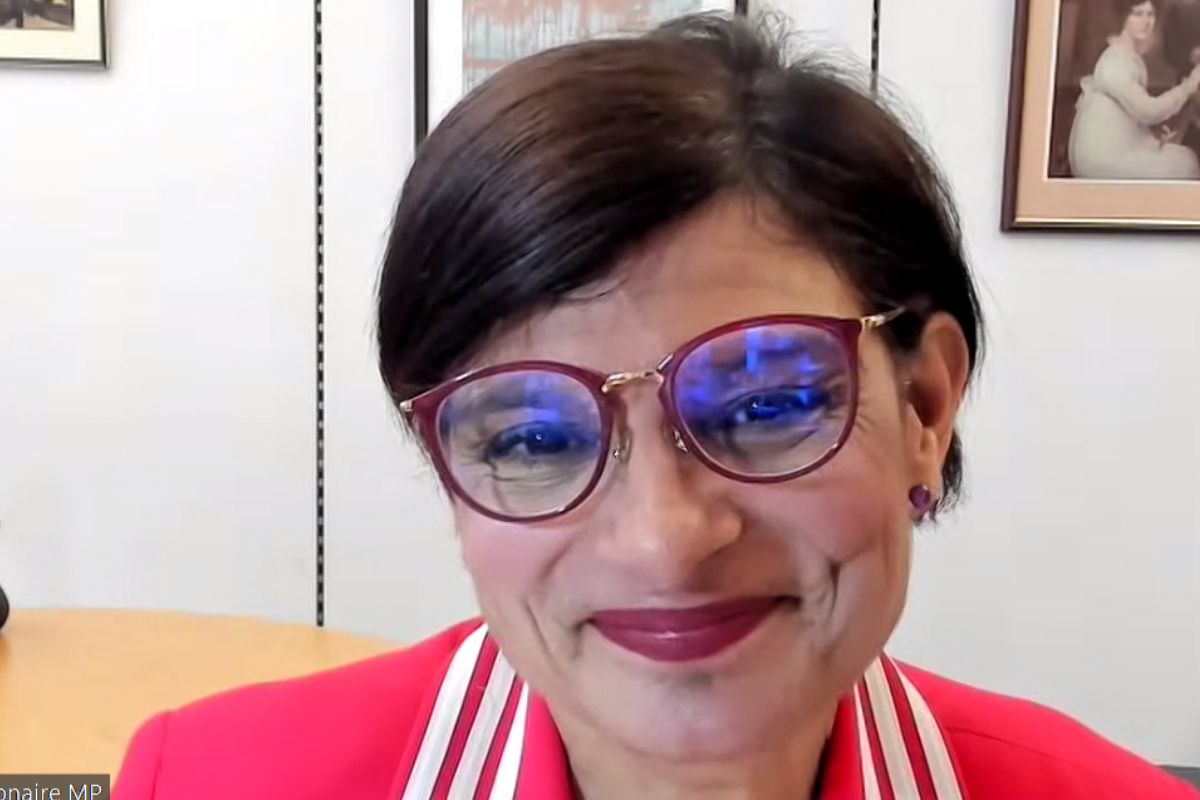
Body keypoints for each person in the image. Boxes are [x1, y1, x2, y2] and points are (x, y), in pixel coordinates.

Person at [112, 12, 1200, 800]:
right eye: (533, 434)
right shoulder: (206, 780)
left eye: (767, 401)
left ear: (923, 403)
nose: (666, 538)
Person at [1067, 0, 1200, 179]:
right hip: (1100, 158)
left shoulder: (1127, 55)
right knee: (1187, 165)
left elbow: (1129, 115)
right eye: (1137, 14)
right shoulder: (1114, 61)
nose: (1146, 21)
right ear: (1124, 18)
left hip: (1119, 146)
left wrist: (1149, 138)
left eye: (1150, 14)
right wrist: (1187, 87)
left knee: (1184, 156)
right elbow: (1148, 110)